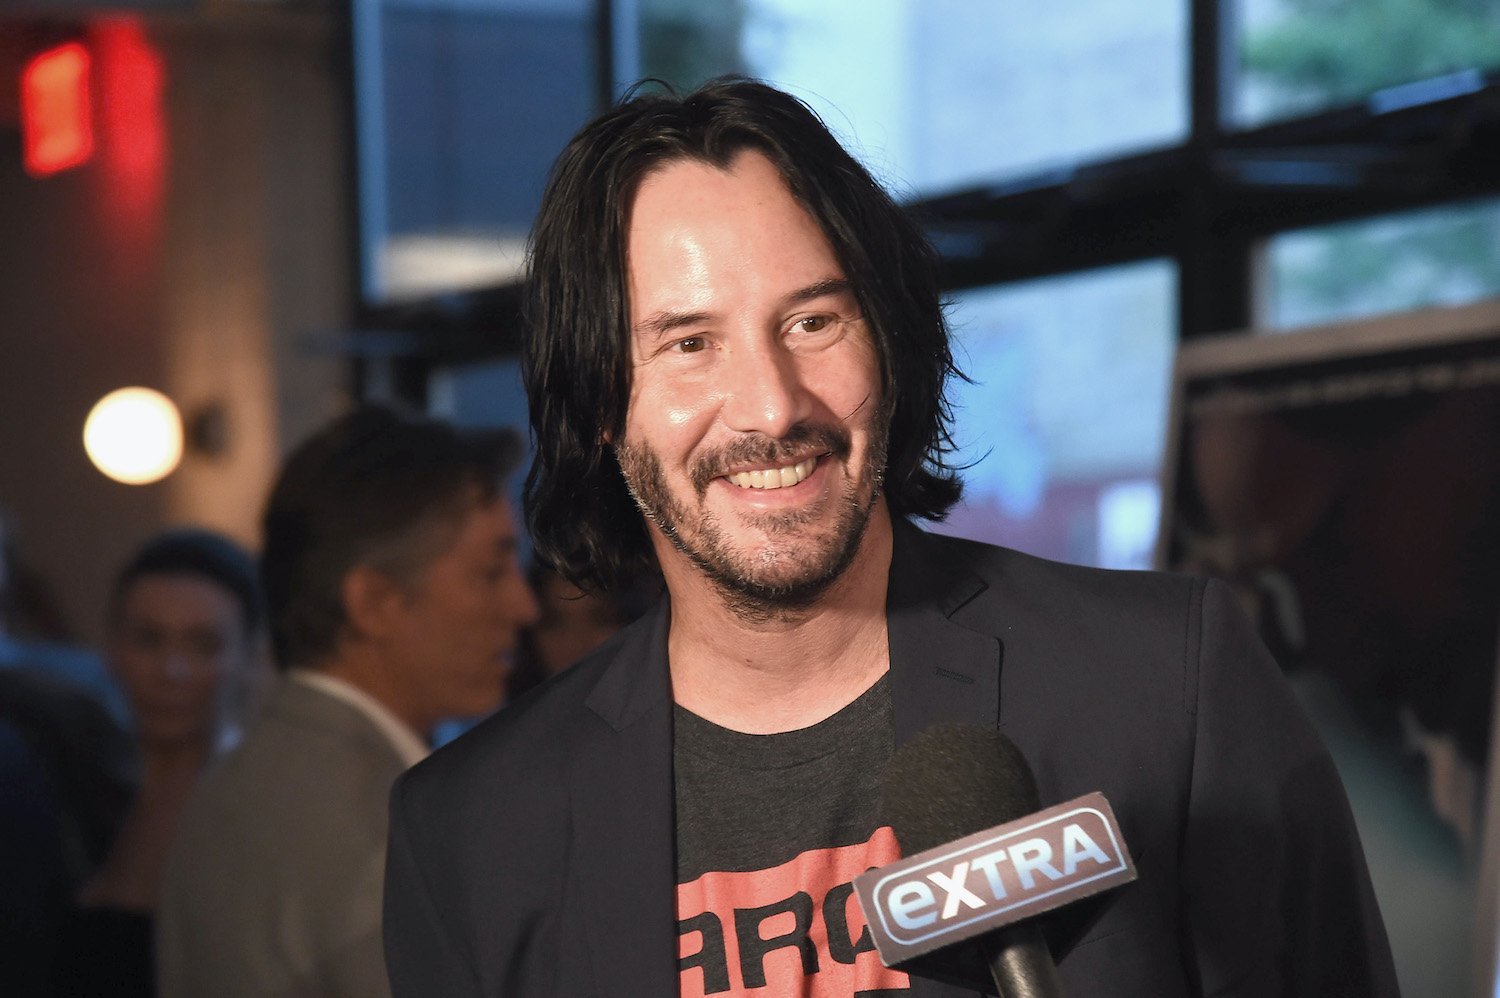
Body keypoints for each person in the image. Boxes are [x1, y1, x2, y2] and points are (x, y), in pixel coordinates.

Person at [383, 80, 1398, 997]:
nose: (771, 405)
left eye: (814, 321)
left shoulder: (1168, 688)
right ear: (603, 402)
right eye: (689, 344)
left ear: (889, 340)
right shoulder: (475, 834)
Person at [157, 407, 539, 998]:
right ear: (374, 603)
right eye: (491, 572)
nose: (523, 606)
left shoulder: (240, 781)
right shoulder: (388, 822)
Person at [56, 528, 261, 997]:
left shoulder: (254, 810)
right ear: (113, 650)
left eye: (203, 644)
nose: (171, 671)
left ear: (249, 658)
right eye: (148, 639)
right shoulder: (77, 791)